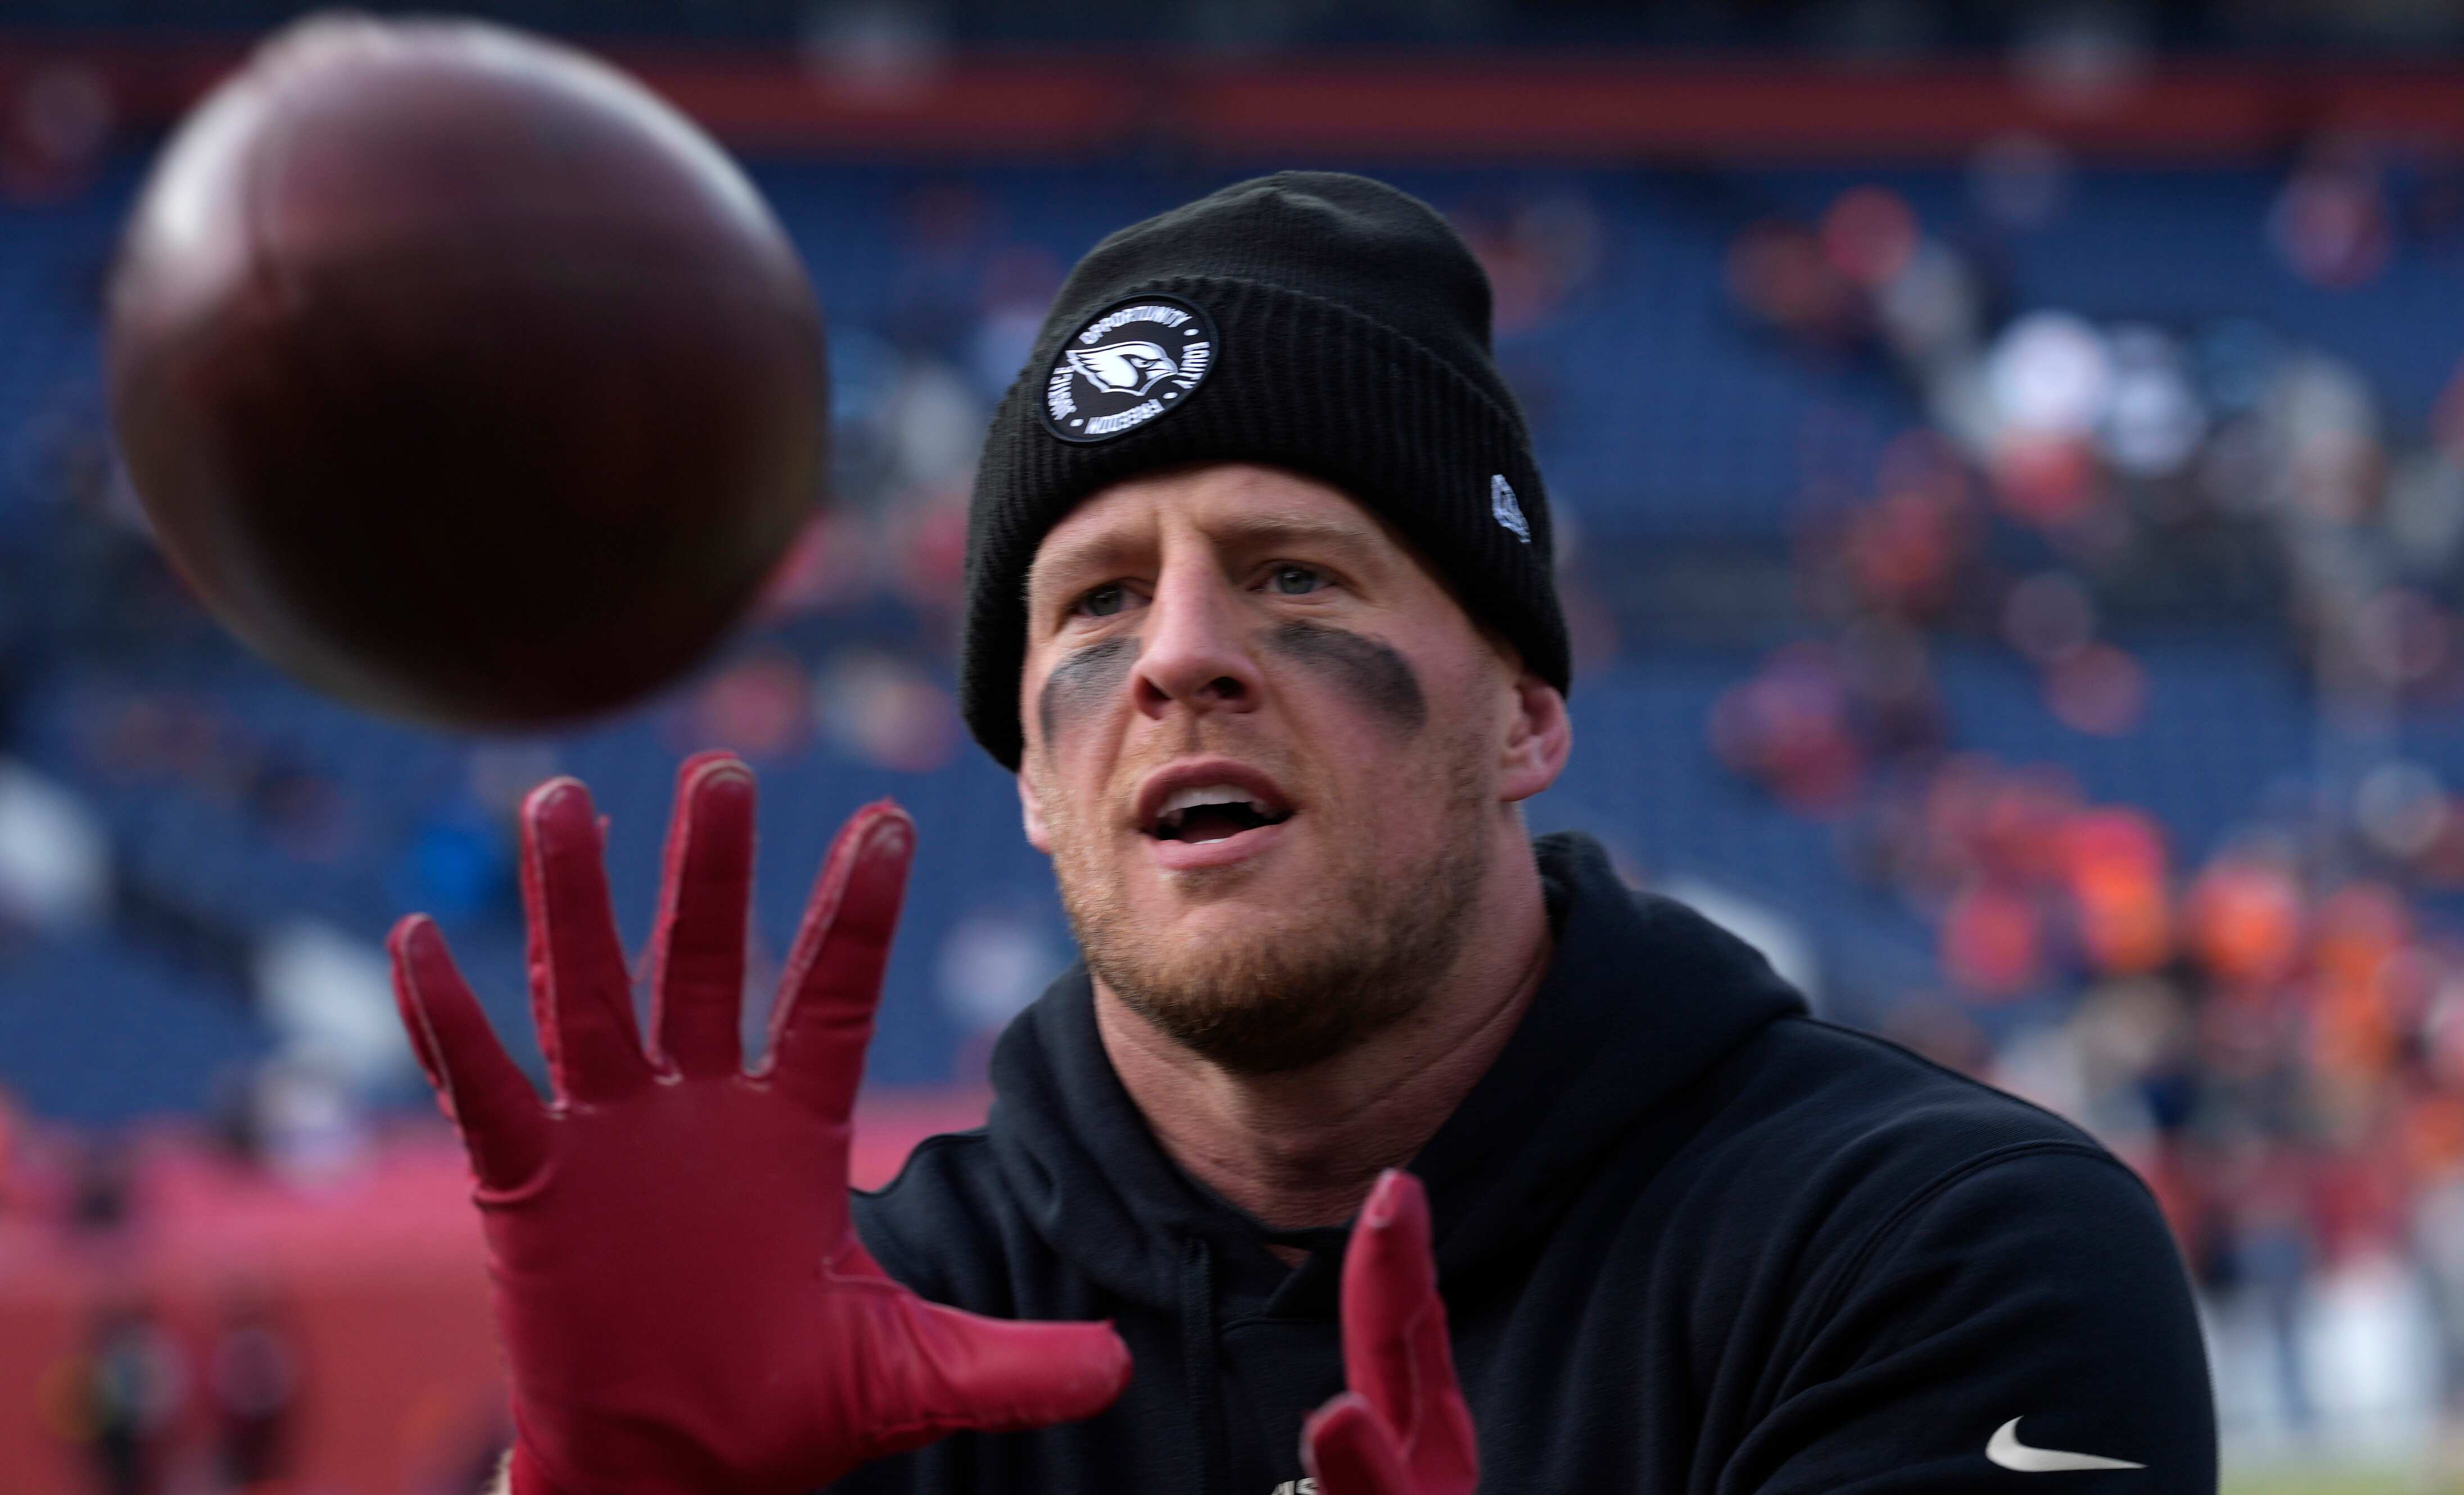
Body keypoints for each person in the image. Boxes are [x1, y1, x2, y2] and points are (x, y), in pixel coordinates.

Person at [397, 173, 2215, 1495]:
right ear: (1028, 779)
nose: (1177, 653)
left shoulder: (1935, 1245)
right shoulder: (863, 1328)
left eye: (1293, 573)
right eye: (1094, 602)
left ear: (1524, 714)